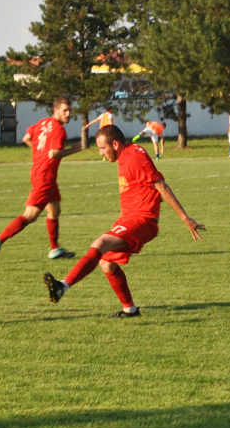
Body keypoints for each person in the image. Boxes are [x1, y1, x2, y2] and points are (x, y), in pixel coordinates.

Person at [43, 125, 205, 317]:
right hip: (130, 219)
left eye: (102, 148)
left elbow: (160, 185)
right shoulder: (126, 156)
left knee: (100, 243)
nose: (101, 153)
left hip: (142, 220)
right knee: (107, 264)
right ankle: (130, 309)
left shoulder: (134, 155)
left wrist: (185, 218)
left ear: (115, 144)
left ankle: (63, 286)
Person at [0, 97, 83, 262]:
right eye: (65, 110)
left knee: (54, 210)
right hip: (44, 176)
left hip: (41, 173)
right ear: (56, 110)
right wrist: (74, 149)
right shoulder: (59, 130)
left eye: (70, 110)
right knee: (30, 216)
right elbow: (53, 153)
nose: (68, 114)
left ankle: (55, 249)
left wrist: (40, 153)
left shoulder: (42, 123)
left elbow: (26, 138)